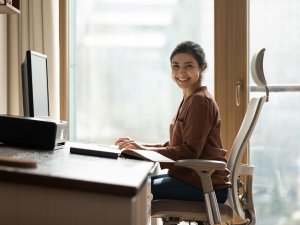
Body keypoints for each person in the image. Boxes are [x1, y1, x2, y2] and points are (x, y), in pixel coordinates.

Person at [115, 41, 230, 204]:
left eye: (188, 66)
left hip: (203, 185)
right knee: (136, 183)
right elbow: (175, 144)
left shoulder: (200, 101)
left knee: (132, 189)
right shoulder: (190, 99)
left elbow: (189, 152)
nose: (181, 72)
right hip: (191, 180)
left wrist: (143, 151)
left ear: (202, 67)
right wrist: (140, 147)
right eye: (175, 66)